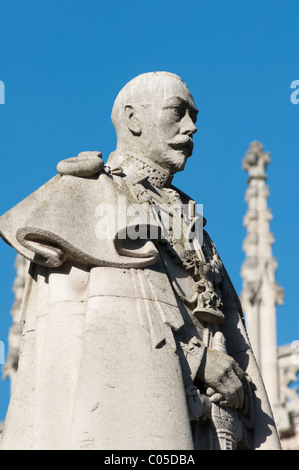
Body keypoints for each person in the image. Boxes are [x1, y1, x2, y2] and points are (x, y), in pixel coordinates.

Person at [0, 72, 280, 450]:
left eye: (193, 116)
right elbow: (94, 335)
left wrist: (239, 388)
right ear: (133, 119)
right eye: (178, 112)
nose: (191, 127)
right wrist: (198, 363)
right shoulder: (85, 196)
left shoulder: (194, 222)